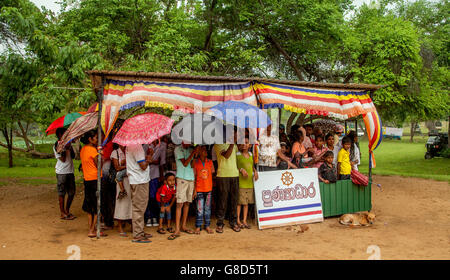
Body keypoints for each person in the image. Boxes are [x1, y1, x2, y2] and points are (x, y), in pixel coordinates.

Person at [168, 142, 198, 240]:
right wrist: (193, 153)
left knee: (187, 203)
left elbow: (192, 165)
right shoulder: (178, 149)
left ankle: (183, 226)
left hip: (190, 178)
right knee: (179, 204)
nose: (188, 143)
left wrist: (196, 155)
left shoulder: (190, 149)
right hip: (181, 178)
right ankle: (177, 229)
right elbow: (185, 164)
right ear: (182, 140)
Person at [80, 130, 106, 238]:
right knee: (96, 206)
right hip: (95, 179)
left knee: (90, 206)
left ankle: (92, 228)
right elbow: (99, 164)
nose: (97, 139)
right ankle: (92, 229)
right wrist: (101, 155)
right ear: (90, 139)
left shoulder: (83, 149)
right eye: (95, 137)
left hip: (87, 179)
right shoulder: (92, 150)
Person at [214, 132, 241, 233]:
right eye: (233, 134)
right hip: (223, 175)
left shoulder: (234, 146)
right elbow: (226, 156)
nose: (234, 136)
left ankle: (233, 222)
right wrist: (232, 143)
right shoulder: (218, 144)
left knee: (234, 200)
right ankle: (220, 223)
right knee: (222, 200)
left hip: (234, 174)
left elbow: (236, 158)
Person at [126, 144, 153, 243]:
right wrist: (149, 157)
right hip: (139, 180)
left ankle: (139, 231)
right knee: (139, 208)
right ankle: (137, 234)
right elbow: (143, 166)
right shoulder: (136, 147)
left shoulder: (132, 146)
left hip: (138, 179)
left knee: (140, 206)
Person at [53, 128, 76, 220]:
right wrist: (65, 147)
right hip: (61, 171)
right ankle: (62, 212)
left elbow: (73, 156)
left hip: (70, 171)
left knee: (72, 192)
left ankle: (67, 210)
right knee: (62, 193)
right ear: (59, 135)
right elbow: (63, 159)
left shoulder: (68, 144)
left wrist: (70, 147)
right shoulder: (57, 145)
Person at [236, 138, 258, 229]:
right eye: (243, 143)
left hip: (249, 182)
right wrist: (241, 170)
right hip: (241, 182)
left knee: (246, 203)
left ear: (250, 145)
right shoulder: (237, 155)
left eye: (246, 143)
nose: (244, 144)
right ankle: (237, 220)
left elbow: (252, 165)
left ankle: (244, 220)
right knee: (239, 203)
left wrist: (255, 171)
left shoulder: (251, 154)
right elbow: (235, 166)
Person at [193, 146, 215, 234]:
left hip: (208, 188)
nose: (205, 151)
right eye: (203, 150)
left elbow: (212, 174)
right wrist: (194, 189)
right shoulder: (196, 162)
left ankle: (207, 225)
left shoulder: (210, 162)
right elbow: (194, 177)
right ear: (199, 152)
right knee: (200, 208)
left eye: (205, 150)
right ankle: (198, 226)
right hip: (199, 189)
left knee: (207, 208)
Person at [143, 140, 166, 227]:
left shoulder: (161, 146)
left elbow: (161, 162)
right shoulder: (145, 145)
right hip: (146, 175)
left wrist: (161, 175)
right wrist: (151, 157)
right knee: (147, 197)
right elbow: (143, 160)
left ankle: (155, 216)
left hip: (155, 175)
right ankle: (148, 217)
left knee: (154, 197)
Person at [111, 144, 132, 237]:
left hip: (130, 180)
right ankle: (120, 226)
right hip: (122, 182)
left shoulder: (129, 151)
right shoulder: (115, 153)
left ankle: (131, 224)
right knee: (121, 202)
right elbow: (117, 168)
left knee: (131, 203)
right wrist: (128, 165)